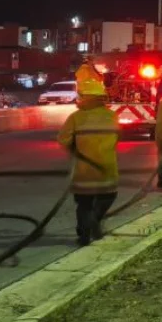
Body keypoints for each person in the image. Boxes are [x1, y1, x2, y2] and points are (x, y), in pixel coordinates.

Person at [57, 77, 120, 246]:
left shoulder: (76, 117)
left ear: (86, 98)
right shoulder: (112, 116)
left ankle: (84, 234)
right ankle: (95, 220)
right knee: (108, 197)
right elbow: (117, 137)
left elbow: (63, 140)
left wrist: (76, 149)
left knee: (84, 204)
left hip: (84, 171)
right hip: (106, 169)